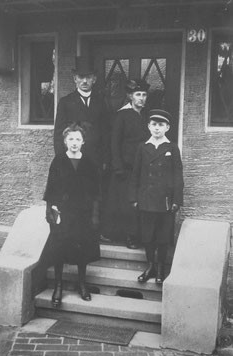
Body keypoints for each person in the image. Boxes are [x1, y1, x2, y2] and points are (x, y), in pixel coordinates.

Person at [43, 124, 100, 307]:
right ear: (65, 141)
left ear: (83, 142)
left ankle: (82, 284)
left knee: (82, 248)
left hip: (83, 212)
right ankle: (58, 286)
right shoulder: (58, 160)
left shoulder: (90, 163)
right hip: (63, 212)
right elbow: (51, 188)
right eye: (70, 139)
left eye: (77, 139)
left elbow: (95, 191)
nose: (74, 143)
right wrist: (50, 210)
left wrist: (94, 214)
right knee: (60, 248)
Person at [129, 109, 184, 284]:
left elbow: (178, 176)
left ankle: (161, 268)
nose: (157, 128)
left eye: (161, 125)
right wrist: (134, 197)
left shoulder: (172, 148)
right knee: (148, 235)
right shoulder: (143, 147)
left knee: (162, 236)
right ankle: (150, 266)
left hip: (165, 201)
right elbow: (135, 174)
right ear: (148, 126)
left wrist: (176, 200)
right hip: (146, 199)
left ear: (167, 127)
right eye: (154, 124)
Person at [103, 79, 150, 248]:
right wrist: (118, 166)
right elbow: (114, 143)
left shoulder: (146, 115)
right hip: (125, 168)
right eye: (138, 95)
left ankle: (137, 234)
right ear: (130, 96)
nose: (141, 98)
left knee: (138, 202)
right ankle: (128, 236)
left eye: (144, 95)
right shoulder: (122, 115)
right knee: (125, 203)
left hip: (141, 168)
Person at [53, 56, 110, 170]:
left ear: (94, 79)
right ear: (75, 79)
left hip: (95, 158)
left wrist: (105, 159)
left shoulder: (101, 102)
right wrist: (61, 158)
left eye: (88, 77)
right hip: (73, 157)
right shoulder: (66, 102)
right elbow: (59, 134)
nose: (84, 81)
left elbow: (106, 132)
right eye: (81, 77)